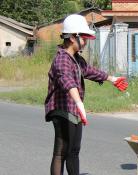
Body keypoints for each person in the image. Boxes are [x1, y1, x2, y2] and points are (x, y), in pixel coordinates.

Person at [44, 14, 128, 175]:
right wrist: (79, 103)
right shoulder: (61, 59)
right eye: (84, 38)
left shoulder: (76, 58)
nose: (86, 41)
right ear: (72, 37)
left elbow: (89, 71)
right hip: (62, 109)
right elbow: (66, 80)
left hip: (73, 109)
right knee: (62, 151)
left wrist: (112, 79)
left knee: (73, 150)